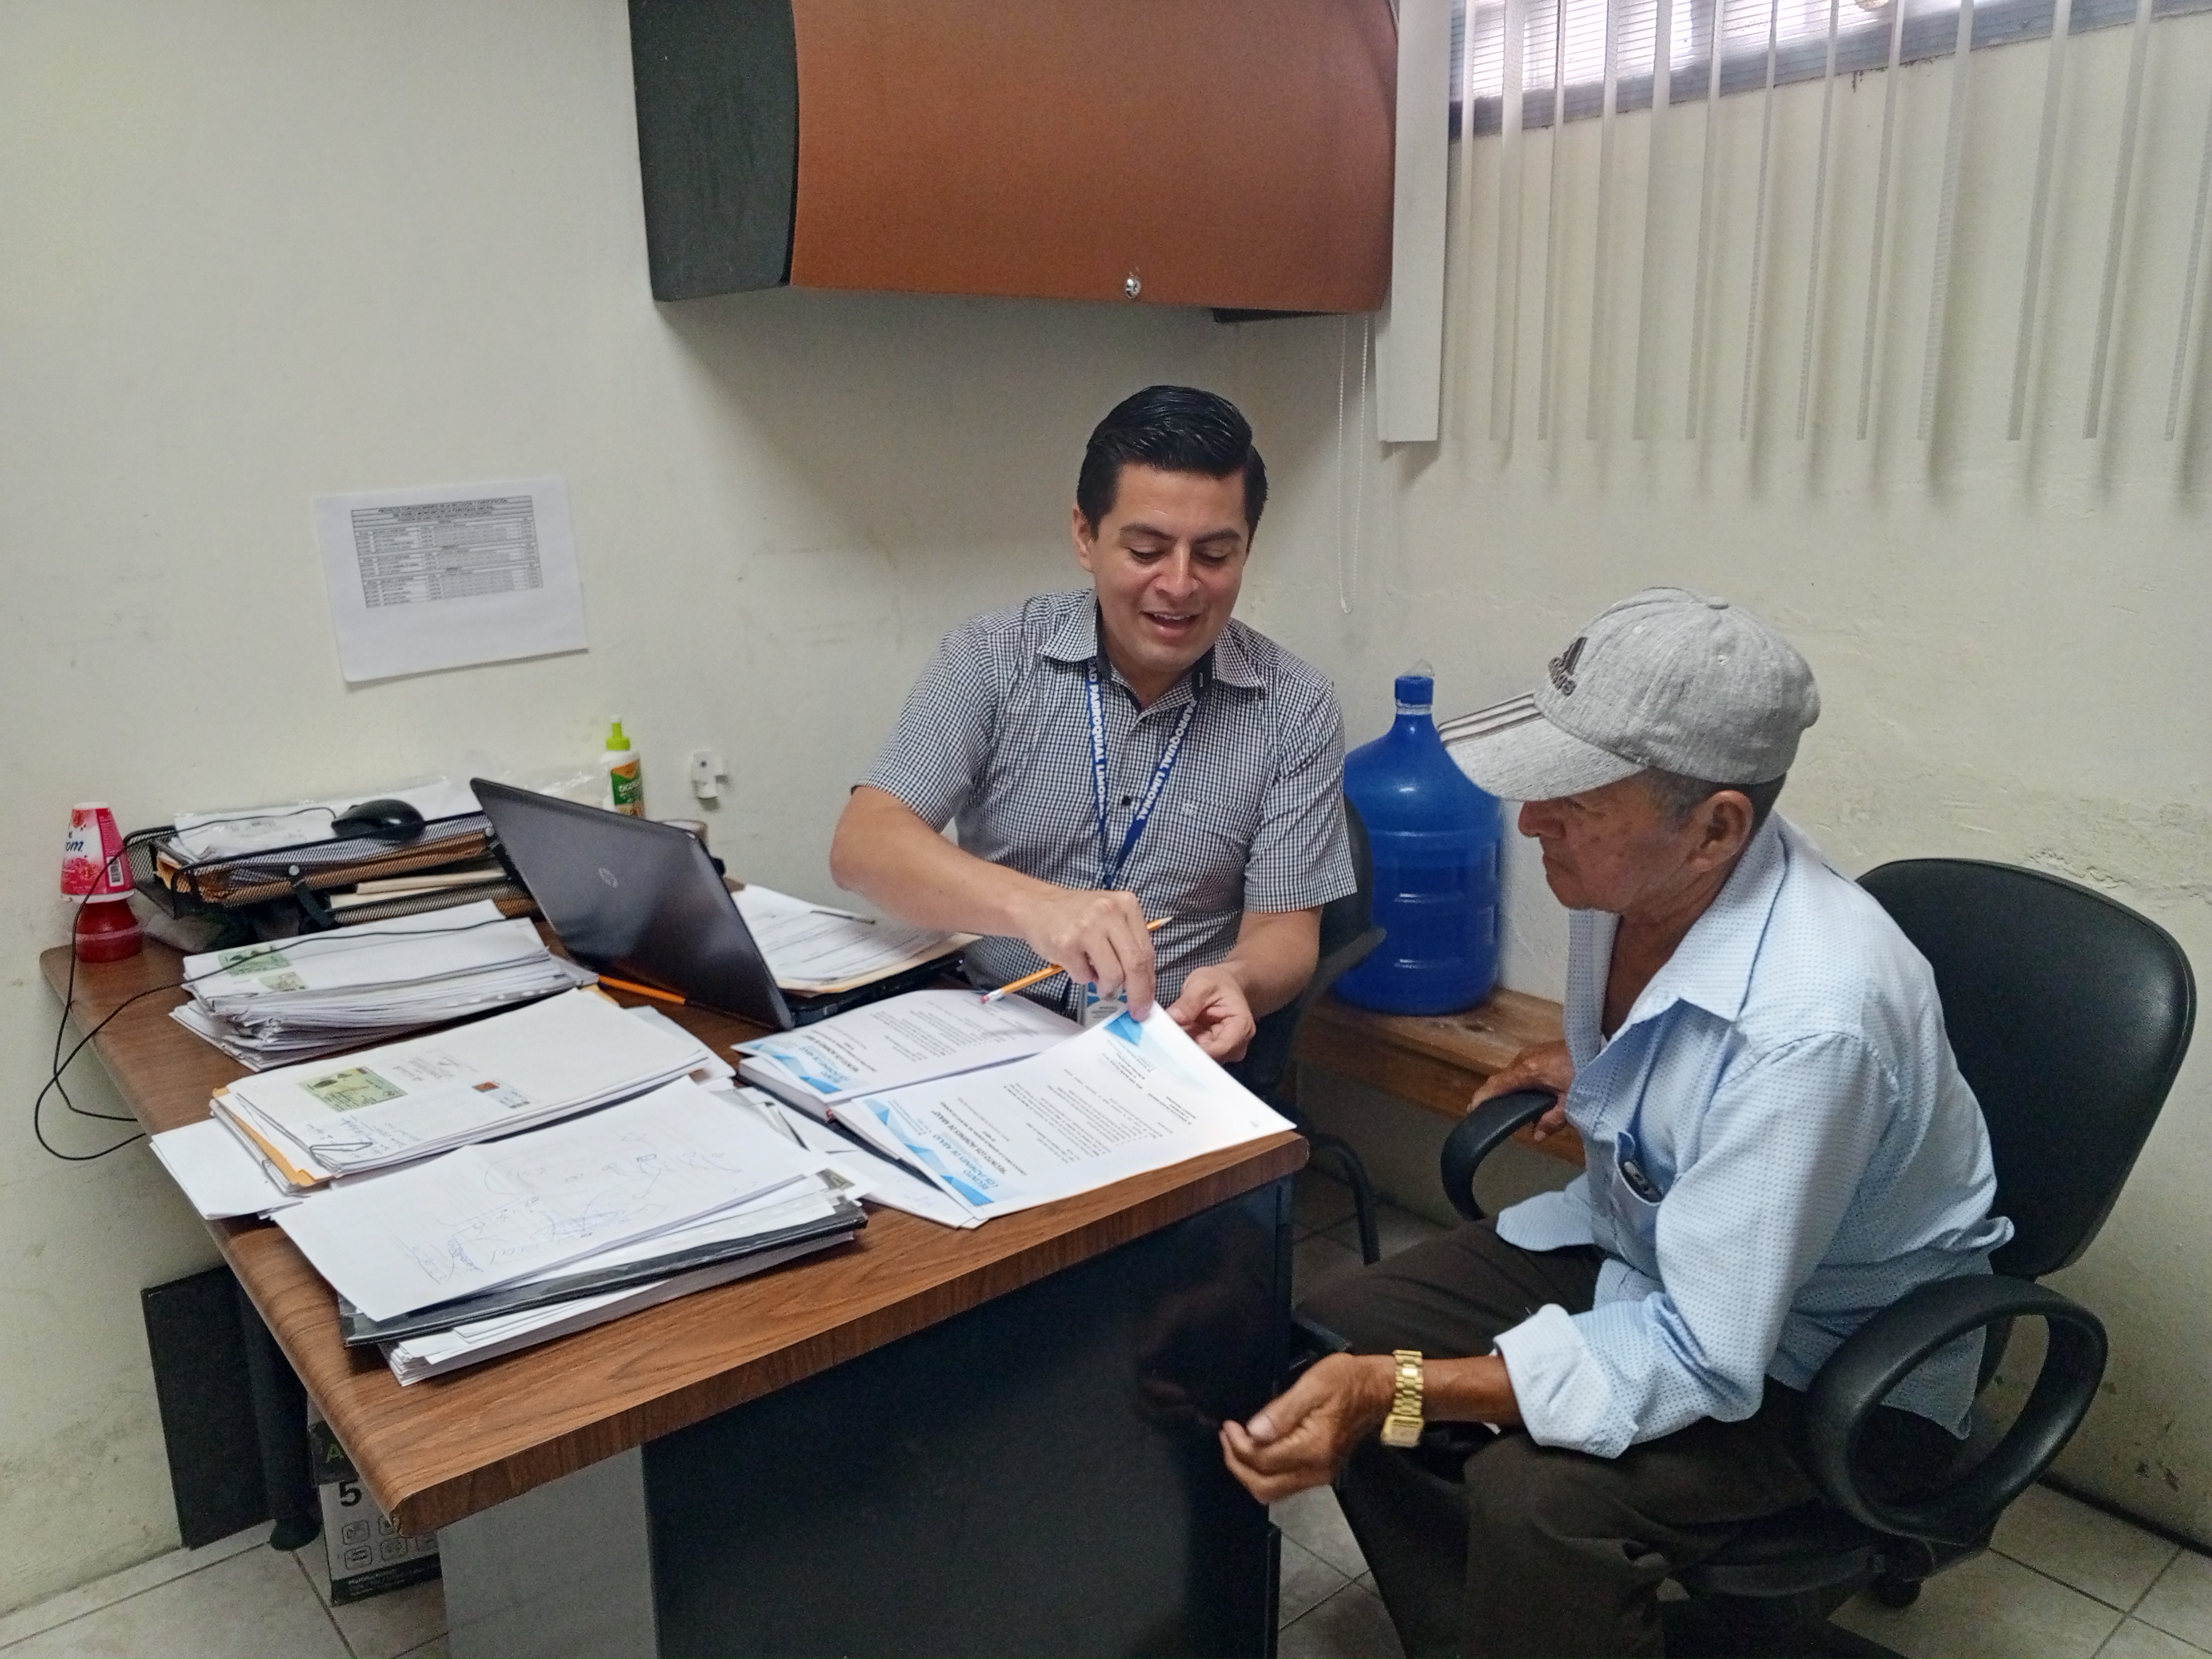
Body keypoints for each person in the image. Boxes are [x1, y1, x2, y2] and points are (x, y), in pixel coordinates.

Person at [1216, 588, 2012, 1658]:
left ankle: (1536, 1608)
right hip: (1650, 1247)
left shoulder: (1812, 1024)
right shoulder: (1643, 880)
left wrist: (1395, 1389)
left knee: (1532, 1498)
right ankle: (1488, 1631)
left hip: (1825, 1357)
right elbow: (1690, 1039)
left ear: (1714, 827)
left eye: (1573, 797)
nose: (1529, 819)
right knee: (1337, 1331)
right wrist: (1611, 1066)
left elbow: (1705, 1350)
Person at [830, 385, 1354, 1060]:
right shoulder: (993, 656)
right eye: (1146, 550)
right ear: (1086, 536)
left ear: (1246, 549)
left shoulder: (1296, 705)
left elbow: (1285, 928)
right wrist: (1037, 908)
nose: (1179, 584)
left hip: (1164, 1049)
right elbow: (864, 845)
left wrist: (1240, 981)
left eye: (1213, 556)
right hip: (990, 1024)